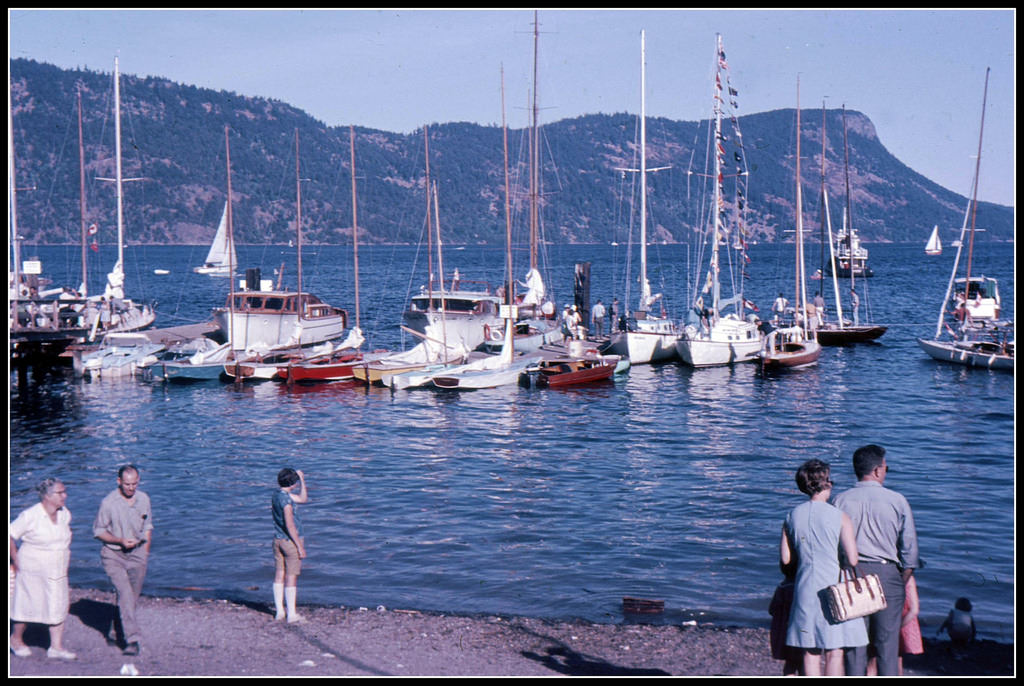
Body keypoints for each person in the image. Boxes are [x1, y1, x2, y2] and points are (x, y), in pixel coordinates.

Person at [833, 444, 920, 677]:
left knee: (854, 645)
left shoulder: (840, 500)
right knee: (887, 647)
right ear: (877, 470)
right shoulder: (897, 500)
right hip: (887, 573)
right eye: (886, 467)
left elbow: (834, 547)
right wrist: (900, 581)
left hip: (852, 575)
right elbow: (909, 553)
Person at [780, 459, 867, 676]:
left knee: (810, 651)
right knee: (834, 651)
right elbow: (853, 559)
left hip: (805, 587)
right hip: (834, 589)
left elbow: (786, 558)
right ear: (825, 483)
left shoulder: (791, 516)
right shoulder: (839, 516)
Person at [9, 478, 76, 660]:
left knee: (58, 603)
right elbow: (10, 534)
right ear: (47, 496)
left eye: (65, 491)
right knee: (27, 604)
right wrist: (15, 559)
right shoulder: (30, 515)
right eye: (60, 492)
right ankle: (15, 639)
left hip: (58, 568)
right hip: (32, 569)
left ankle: (56, 647)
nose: (65, 496)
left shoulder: (64, 514)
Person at [93, 465, 154, 656]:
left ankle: (114, 630)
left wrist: (145, 552)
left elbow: (148, 527)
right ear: (119, 482)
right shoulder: (108, 503)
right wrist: (119, 540)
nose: (131, 488)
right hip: (113, 555)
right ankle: (132, 640)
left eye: (135, 484)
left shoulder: (144, 499)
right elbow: (99, 531)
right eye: (127, 484)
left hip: (137, 554)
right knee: (125, 594)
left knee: (131, 598)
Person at [272, 468, 308, 623]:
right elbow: (290, 525)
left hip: (277, 540)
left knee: (280, 574)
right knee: (291, 577)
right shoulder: (287, 502)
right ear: (293, 484)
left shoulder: (278, 495)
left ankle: (280, 612)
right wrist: (300, 546)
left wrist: (302, 480)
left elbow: (303, 499)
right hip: (289, 542)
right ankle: (291, 614)